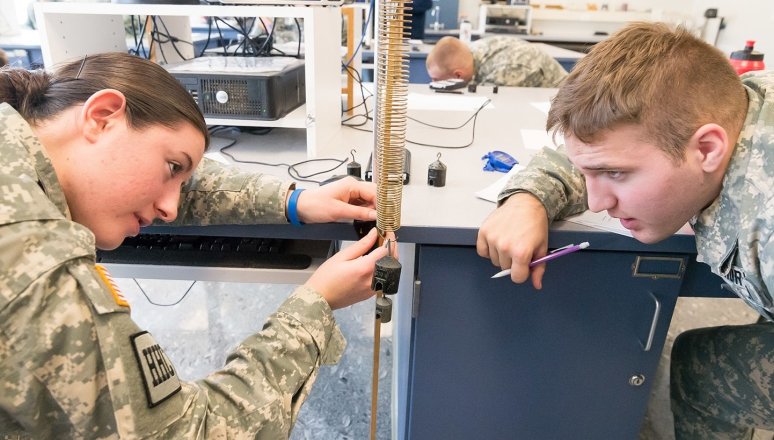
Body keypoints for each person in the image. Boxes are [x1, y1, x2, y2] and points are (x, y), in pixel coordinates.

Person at [0, 52, 392, 438]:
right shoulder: (36, 263)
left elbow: (180, 177)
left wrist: (296, 201)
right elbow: (193, 431)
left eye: (180, 178)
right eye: (172, 167)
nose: (170, 210)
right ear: (101, 116)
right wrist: (316, 306)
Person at [476, 21, 773, 439]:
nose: (598, 203)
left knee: (701, 369)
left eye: (615, 175)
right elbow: (600, 149)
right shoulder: (724, 108)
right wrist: (528, 196)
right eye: (592, 174)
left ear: (708, 149)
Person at [425, 35, 567, 87]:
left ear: (458, 75)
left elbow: (488, 104)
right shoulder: (471, 53)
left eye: (436, 80)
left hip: (567, 105)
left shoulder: (506, 70)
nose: (433, 84)